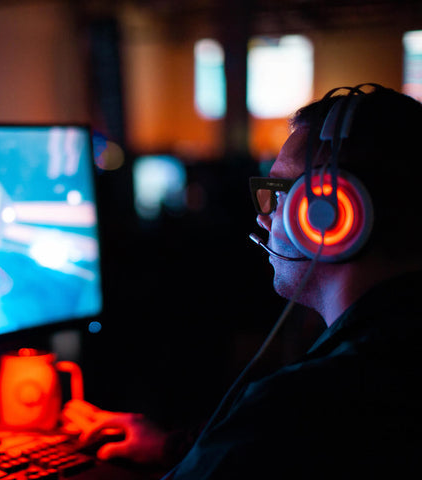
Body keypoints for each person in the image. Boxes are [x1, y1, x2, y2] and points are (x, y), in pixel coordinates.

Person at [62, 84, 422, 477]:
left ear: (334, 214)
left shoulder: (299, 406)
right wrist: (167, 446)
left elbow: (275, 436)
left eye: (282, 193)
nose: (262, 218)